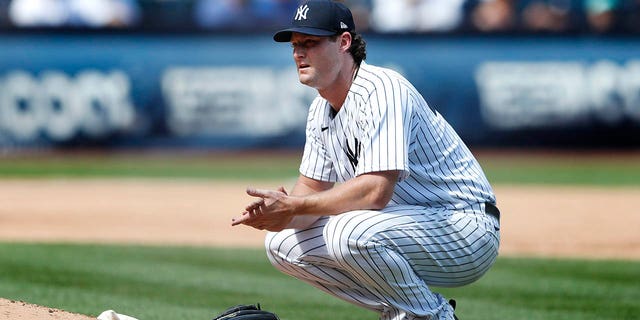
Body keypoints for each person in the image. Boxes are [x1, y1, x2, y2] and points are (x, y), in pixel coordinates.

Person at [231, 1, 501, 319]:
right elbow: (310, 192)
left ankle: (434, 315)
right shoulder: (320, 109)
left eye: (311, 43)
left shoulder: (382, 89)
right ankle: (402, 313)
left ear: (344, 42)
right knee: (282, 244)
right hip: (407, 227)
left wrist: (296, 207)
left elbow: (374, 193)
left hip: (463, 229)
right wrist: (280, 213)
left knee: (349, 232)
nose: (298, 54)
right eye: (295, 45)